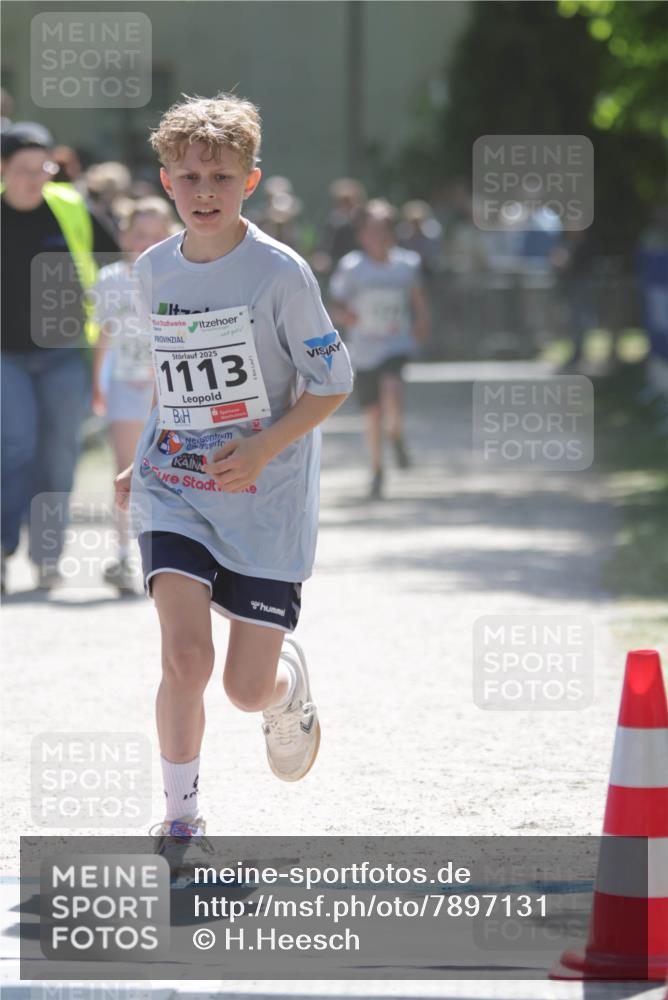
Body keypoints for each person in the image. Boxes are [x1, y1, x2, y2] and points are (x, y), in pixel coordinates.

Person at [113, 93, 353, 845]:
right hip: (175, 490)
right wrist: (141, 453)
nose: (204, 191)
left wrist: (261, 447)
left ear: (251, 181)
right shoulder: (153, 271)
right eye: (189, 177)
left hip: (263, 499)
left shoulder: (281, 275)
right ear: (166, 182)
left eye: (220, 176)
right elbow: (171, 373)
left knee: (244, 689)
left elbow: (333, 381)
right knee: (185, 657)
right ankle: (181, 817)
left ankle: (287, 691)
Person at [0, 122, 120, 592]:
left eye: (44, 167)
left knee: (59, 453)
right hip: (5, 354)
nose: (36, 178)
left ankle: (48, 556)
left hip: (64, 351)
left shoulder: (69, 206)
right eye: (24, 169)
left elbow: (117, 260)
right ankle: (4, 548)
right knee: (16, 444)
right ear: (4, 169)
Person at [91, 197, 177, 592]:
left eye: (156, 236)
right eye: (139, 235)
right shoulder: (110, 278)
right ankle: (124, 557)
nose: (145, 243)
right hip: (125, 387)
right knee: (128, 468)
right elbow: (104, 335)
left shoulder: (179, 274)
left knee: (169, 468)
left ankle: (169, 556)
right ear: (125, 235)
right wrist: (97, 384)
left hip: (171, 389)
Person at [329, 199, 429, 499]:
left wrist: (423, 321)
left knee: (392, 390)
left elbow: (418, 299)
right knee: (372, 413)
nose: (378, 237)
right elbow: (335, 304)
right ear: (362, 235)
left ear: (393, 233)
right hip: (364, 347)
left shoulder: (406, 264)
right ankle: (377, 469)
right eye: (371, 231)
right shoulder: (352, 268)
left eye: (384, 230)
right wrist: (345, 316)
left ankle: (396, 432)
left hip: (396, 343)